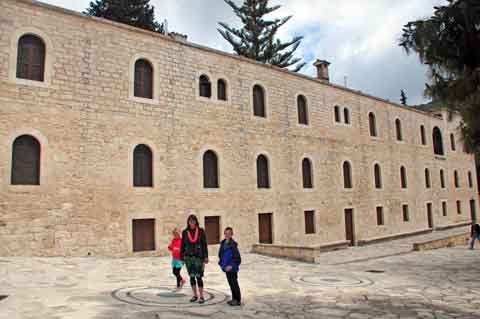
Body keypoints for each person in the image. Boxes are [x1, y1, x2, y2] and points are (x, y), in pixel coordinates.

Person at [180, 215, 209, 304]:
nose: (192, 222)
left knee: (199, 277)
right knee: (192, 277)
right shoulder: (185, 232)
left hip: (198, 258)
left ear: (196, 221)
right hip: (188, 258)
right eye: (190, 221)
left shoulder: (201, 231)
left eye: (193, 221)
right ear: (188, 222)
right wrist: (182, 257)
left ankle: (201, 296)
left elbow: (204, 244)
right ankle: (195, 295)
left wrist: (206, 256)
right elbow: (183, 246)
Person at [218, 227, 242, 306]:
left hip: (232, 268)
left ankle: (237, 300)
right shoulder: (223, 243)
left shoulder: (233, 245)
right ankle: (233, 299)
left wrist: (231, 266)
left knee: (234, 283)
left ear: (232, 234)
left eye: (229, 233)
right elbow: (220, 254)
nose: (227, 235)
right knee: (231, 284)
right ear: (224, 234)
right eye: (226, 233)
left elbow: (238, 259)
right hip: (226, 268)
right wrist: (222, 264)